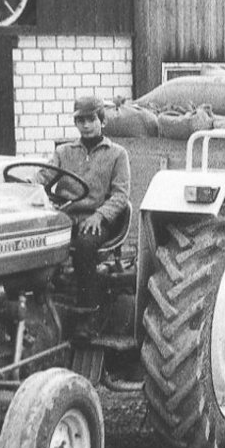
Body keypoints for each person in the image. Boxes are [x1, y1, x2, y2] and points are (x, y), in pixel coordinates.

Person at [41, 94, 131, 320]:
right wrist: (27, 185)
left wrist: (100, 216)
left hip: (97, 220)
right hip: (66, 217)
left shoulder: (117, 154)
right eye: (81, 121)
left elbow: (121, 195)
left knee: (85, 246)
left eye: (92, 119)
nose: (87, 125)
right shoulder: (64, 152)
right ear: (76, 124)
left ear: (102, 121)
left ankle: (87, 314)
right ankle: (43, 302)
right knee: (37, 241)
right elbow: (43, 177)